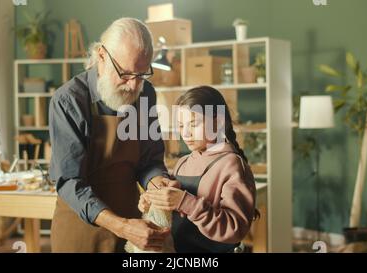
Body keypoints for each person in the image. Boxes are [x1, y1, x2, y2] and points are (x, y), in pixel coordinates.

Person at [49, 17, 172, 252]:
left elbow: (149, 161)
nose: (133, 86)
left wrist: (159, 184)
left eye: (142, 74)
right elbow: (69, 183)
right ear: (101, 56)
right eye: (125, 74)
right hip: (81, 229)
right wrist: (122, 226)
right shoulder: (69, 101)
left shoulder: (145, 95)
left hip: (133, 226)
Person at [139, 86, 258, 253]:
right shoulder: (182, 162)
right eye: (180, 126)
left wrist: (185, 202)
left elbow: (235, 229)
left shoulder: (232, 165)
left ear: (218, 122)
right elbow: (171, 213)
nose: (185, 133)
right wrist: (154, 201)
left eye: (193, 124)